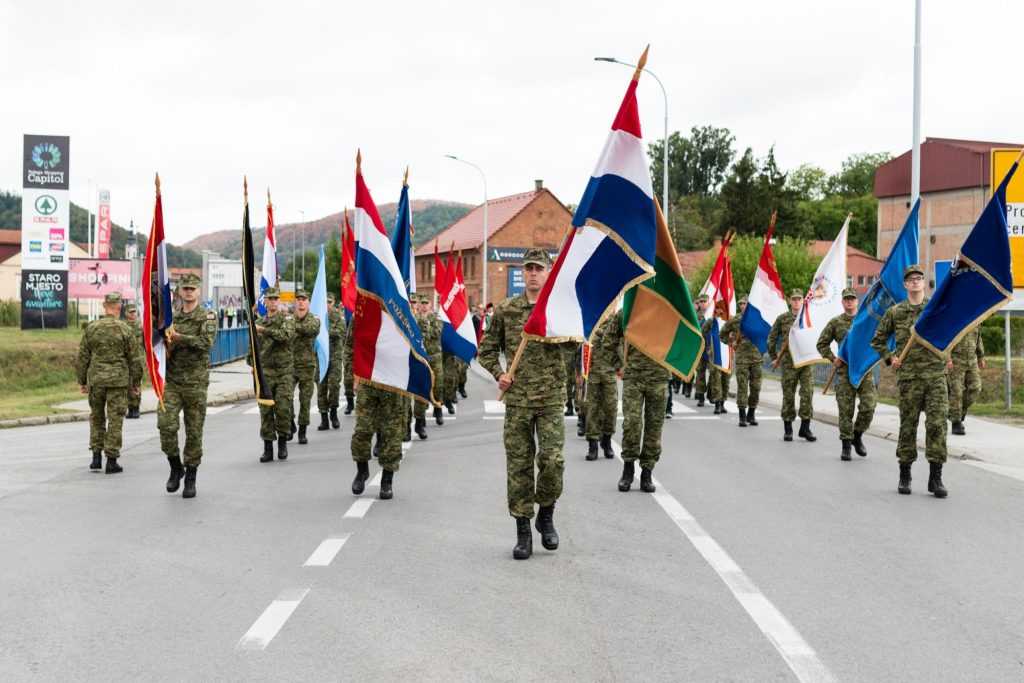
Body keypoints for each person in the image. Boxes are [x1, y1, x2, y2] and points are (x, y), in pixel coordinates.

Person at [479, 248, 567, 560]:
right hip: (517, 401)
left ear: (547, 273)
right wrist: (500, 374)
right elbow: (486, 351)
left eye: (538, 268)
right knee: (519, 465)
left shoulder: (560, 310)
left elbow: (578, 345)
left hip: (552, 399)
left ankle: (546, 511)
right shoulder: (506, 310)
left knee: (553, 461)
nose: (532, 273)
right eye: (528, 268)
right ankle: (523, 530)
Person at [871, 265, 953, 498]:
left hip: (936, 377)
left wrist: (947, 356)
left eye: (919, 278)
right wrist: (890, 358)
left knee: (937, 425)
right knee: (908, 426)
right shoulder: (896, 312)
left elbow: (951, 334)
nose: (915, 282)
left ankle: (935, 478)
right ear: (905, 285)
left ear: (924, 283)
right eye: (911, 279)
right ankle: (904, 475)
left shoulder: (934, 309)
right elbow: (877, 340)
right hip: (909, 379)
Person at [158, 273, 217, 498]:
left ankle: (191, 476)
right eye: (185, 288)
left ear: (199, 291)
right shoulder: (171, 319)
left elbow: (205, 343)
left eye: (193, 288)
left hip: (195, 383)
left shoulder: (207, 316)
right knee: (165, 425)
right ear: (179, 292)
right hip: (172, 382)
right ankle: (175, 466)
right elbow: (162, 345)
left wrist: (179, 337)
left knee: (193, 432)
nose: (189, 292)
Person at [76, 292, 142, 473]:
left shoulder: (92, 328)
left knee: (96, 417)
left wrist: (82, 380)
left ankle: (96, 457)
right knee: (115, 419)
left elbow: (83, 357)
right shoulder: (125, 329)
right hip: (118, 382)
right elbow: (134, 359)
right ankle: (111, 460)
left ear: (104, 306)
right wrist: (136, 382)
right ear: (119, 307)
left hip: (96, 380)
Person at [817, 288, 876, 461]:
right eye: (846, 299)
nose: (849, 302)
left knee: (869, 406)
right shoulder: (836, 322)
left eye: (852, 299)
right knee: (845, 411)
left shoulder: (865, 320)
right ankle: (846, 445)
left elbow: (878, 339)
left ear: (857, 301)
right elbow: (822, 344)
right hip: (844, 372)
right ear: (842, 302)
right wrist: (832, 358)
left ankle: (857, 435)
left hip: (864, 371)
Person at [768, 289, 816, 442]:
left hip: (806, 362)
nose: (796, 302)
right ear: (789, 301)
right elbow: (772, 338)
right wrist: (774, 357)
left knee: (807, 393)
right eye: (794, 299)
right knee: (788, 395)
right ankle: (788, 429)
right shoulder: (783, 318)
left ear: (803, 300)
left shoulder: (809, 317)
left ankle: (805, 427)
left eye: (799, 299)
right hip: (789, 363)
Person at [253, 287, 295, 462]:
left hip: (284, 372)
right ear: (266, 302)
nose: (273, 302)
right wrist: (252, 364)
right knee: (266, 411)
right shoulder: (260, 322)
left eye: (275, 299)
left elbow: (285, 336)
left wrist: (264, 330)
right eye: (269, 299)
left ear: (280, 301)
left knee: (283, 409)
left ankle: (283, 442)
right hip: (266, 373)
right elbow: (253, 347)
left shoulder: (287, 320)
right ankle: (268, 447)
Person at [585, 315, 622, 460]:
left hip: (609, 372)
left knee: (611, 408)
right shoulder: (590, 319)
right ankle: (592, 444)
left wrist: (621, 366)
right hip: (592, 373)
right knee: (592, 409)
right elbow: (582, 346)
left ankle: (607, 439)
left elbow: (618, 343)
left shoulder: (614, 322)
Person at [721, 296, 762, 427]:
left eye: (745, 304)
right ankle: (742, 416)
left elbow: (766, 333)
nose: (743, 306)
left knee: (756, 388)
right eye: (741, 304)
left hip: (756, 358)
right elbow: (722, 334)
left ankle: (751, 413)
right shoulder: (736, 320)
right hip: (742, 359)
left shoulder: (757, 319)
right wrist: (731, 342)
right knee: (742, 387)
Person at [289, 289, 320, 446]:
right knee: (285, 397)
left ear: (308, 302)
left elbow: (311, 330)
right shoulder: (288, 318)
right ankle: (289, 421)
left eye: (304, 299)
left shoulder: (314, 319)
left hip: (307, 366)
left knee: (305, 400)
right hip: (289, 365)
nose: (301, 301)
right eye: (298, 299)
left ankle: (302, 431)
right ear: (295, 302)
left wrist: (292, 326)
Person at [413, 294, 443, 439]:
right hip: (420, 358)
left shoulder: (435, 319)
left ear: (430, 305)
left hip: (435, 357)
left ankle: (438, 409)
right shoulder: (414, 319)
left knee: (437, 386)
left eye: (426, 303)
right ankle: (420, 421)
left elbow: (436, 334)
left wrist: (426, 326)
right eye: (422, 303)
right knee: (421, 389)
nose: (424, 306)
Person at [948, 326, 985, 435]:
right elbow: (946, 340)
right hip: (956, 360)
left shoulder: (975, 318)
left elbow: (978, 337)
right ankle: (956, 422)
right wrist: (947, 358)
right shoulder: (955, 320)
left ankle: (957, 413)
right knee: (957, 392)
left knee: (976, 388)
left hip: (972, 360)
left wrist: (981, 356)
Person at [317, 293, 346, 431]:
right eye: (325, 302)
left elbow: (340, 332)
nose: (327, 304)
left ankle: (333, 412)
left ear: (333, 302)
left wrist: (324, 330)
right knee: (321, 388)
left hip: (334, 357)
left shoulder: (338, 317)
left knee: (334, 385)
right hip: (321, 356)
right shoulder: (317, 315)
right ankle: (324, 418)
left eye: (329, 302)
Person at [700, 312, 731, 414]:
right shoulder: (711, 321)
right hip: (715, 354)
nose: (720, 310)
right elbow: (703, 332)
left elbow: (738, 332)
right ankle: (717, 404)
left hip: (727, 354)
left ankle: (722, 403)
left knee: (726, 380)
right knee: (716, 378)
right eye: (717, 308)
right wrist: (708, 346)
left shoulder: (730, 319)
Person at [124, 303, 144, 419]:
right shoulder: (123, 326)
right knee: (127, 384)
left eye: (134, 312)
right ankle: (129, 408)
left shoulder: (141, 326)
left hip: (137, 359)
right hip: (126, 359)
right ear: (126, 313)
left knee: (136, 384)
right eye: (130, 312)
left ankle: (136, 408)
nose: (132, 314)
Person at [693, 294, 710, 406]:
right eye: (701, 301)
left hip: (711, 348)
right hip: (701, 348)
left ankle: (711, 393)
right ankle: (701, 396)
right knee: (700, 373)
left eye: (705, 301)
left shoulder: (714, 314)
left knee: (714, 373)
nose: (703, 303)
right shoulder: (695, 315)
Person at [562, 342, 579, 417]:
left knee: (578, 383)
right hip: (566, 353)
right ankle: (569, 406)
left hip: (578, 351)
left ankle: (578, 407)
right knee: (567, 383)